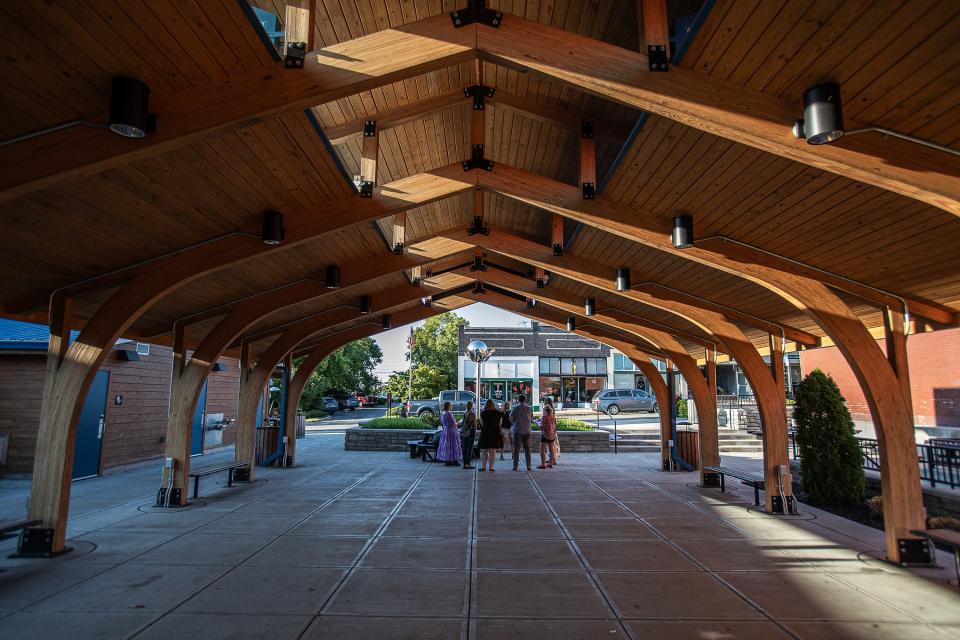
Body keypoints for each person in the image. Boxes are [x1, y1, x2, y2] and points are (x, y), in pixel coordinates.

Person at [510, 394, 533, 471]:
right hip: (527, 430)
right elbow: (531, 418)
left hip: (518, 430)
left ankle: (515, 466)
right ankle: (529, 465)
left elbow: (511, 418)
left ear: (518, 400)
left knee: (516, 449)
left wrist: (514, 423)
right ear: (525, 399)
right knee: (527, 449)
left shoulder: (515, 408)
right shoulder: (529, 408)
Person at [478, 399, 503, 472]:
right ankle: (491, 467)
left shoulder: (483, 413)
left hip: (485, 432)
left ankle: (483, 467)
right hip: (495, 432)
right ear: (493, 404)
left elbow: (482, 423)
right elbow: (500, 423)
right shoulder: (498, 413)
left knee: (484, 450)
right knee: (493, 451)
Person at [437, 401, 462, 466]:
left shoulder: (443, 413)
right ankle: (454, 460)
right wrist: (458, 423)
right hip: (451, 431)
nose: (451, 406)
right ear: (448, 406)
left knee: (446, 446)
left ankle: (447, 460)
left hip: (445, 430)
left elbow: (443, 423)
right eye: (450, 405)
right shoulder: (449, 414)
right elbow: (453, 423)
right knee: (453, 445)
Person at [537, 404, 557, 469]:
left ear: (546, 411)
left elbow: (541, 426)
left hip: (545, 435)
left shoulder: (544, 417)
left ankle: (543, 464)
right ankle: (550, 463)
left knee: (542, 450)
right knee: (551, 449)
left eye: (543, 410)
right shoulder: (553, 417)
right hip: (552, 435)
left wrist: (538, 423)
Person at [460, 401, 477, 469]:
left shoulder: (464, 413)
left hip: (464, 432)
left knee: (465, 447)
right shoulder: (472, 414)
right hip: (470, 432)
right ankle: (468, 464)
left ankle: (465, 463)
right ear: (472, 406)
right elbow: (472, 424)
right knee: (469, 448)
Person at [543, 397, 560, 465]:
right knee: (552, 445)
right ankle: (552, 459)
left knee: (549, 446)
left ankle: (552, 459)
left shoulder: (548, 409)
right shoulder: (552, 409)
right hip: (553, 429)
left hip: (549, 430)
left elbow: (547, 419)